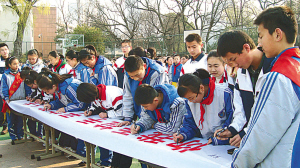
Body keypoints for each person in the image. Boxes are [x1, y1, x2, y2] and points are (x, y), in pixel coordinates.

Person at [230, 6, 300, 168]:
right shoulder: (296, 67)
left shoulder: (278, 77)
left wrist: (238, 163)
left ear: (277, 34)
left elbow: (260, 134)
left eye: (261, 36)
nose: (259, 43)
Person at [216, 30, 275, 147]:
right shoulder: (241, 75)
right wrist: (232, 129)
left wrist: (245, 133)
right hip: (255, 140)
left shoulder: (273, 69)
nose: (232, 65)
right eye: (227, 62)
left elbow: (270, 114)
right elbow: (240, 110)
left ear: (246, 48)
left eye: (233, 59)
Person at [173, 69, 233, 146]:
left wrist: (220, 137)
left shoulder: (224, 94)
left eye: (191, 98)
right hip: (205, 142)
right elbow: (190, 123)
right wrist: (183, 134)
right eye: (188, 99)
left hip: (224, 144)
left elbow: (233, 121)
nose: (190, 101)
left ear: (201, 88)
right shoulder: (189, 101)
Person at [1, 57, 30, 142]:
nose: (16, 65)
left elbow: (26, 87)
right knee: (11, 120)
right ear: (9, 65)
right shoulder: (5, 75)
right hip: (11, 102)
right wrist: (6, 98)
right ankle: (13, 137)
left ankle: (20, 135)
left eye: (17, 63)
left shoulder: (21, 75)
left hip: (21, 101)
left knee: (20, 120)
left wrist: (28, 96)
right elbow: (3, 88)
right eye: (14, 64)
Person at [0, 43, 10, 135]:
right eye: (2, 50)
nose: (4, 51)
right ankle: (5, 126)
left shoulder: (13, 60)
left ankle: (17, 126)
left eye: (6, 49)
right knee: (2, 107)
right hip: (2, 88)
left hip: (12, 88)